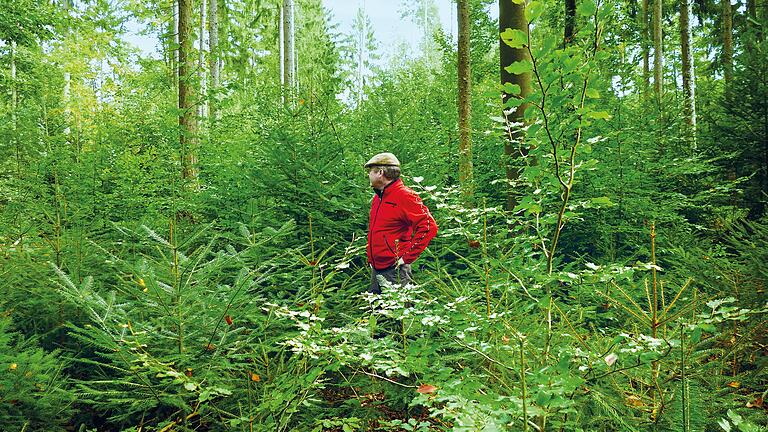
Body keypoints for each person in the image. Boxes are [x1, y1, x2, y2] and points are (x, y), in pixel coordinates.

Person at [365, 152, 438, 293]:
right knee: (376, 313)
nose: (369, 175)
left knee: (398, 313)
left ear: (380, 173)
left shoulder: (405, 196)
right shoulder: (378, 198)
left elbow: (429, 226)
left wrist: (406, 257)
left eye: (370, 172)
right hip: (377, 268)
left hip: (395, 270)